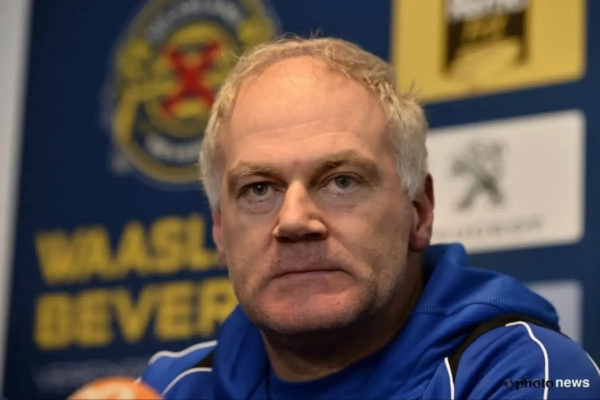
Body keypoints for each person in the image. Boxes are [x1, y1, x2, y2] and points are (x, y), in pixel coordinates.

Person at [139, 36, 600, 399]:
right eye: (259, 189)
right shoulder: (170, 389)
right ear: (220, 229)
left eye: (341, 181)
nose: (294, 221)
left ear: (419, 211)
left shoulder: (527, 375)